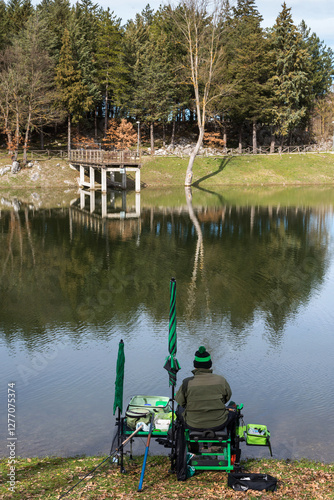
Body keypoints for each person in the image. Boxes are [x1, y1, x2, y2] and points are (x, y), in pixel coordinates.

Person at [175, 345, 235, 431]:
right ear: (210, 365)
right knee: (233, 410)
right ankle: (232, 440)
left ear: (195, 366)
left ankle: (185, 441)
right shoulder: (221, 380)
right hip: (219, 423)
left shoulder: (186, 382)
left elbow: (181, 402)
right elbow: (226, 398)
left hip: (193, 424)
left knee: (179, 409)